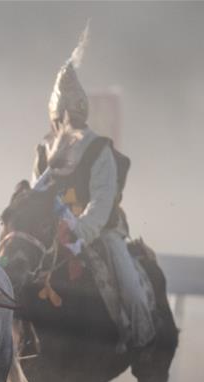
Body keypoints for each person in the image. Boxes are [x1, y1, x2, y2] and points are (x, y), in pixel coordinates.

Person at [31, 29, 155, 350]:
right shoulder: (45, 150)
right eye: (60, 117)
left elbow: (101, 202)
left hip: (100, 233)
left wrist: (78, 232)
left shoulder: (99, 149)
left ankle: (142, 346)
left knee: (132, 291)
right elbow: (35, 197)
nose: (64, 122)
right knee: (15, 277)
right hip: (52, 235)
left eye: (68, 116)